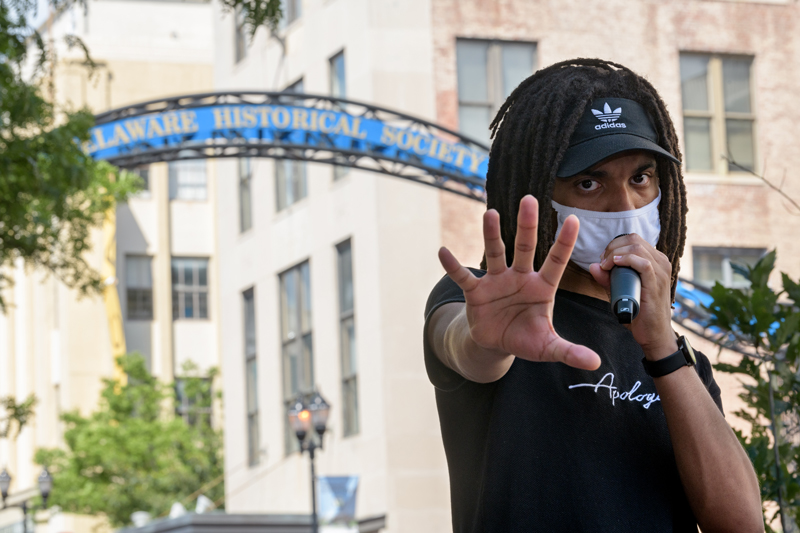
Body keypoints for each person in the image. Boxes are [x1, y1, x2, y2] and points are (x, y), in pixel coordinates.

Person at [424, 58, 763, 532]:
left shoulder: (676, 358)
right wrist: (484, 341)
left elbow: (742, 524)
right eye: (590, 182)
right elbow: (464, 345)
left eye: (640, 179)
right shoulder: (488, 303)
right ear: (539, 191)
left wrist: (663, 349)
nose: (624, 207)